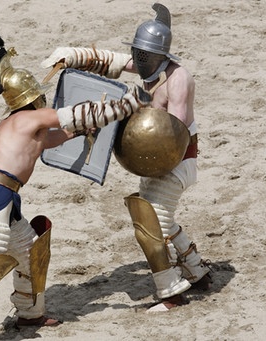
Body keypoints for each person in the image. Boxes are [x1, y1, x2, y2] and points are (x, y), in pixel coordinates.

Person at [0, 9, 150, 340]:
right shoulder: (27, 120)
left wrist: (89, 127)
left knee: (30, 250)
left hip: (0, 196)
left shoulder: (21, 126)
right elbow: (73, 115)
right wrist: (126, 104)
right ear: (34, 99)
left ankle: (29, 314)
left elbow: (62, 134)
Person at [40, 3, 211, 312]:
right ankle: (197, 270)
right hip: (155, 159)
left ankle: (171, 292)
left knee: (151, 223)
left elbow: (176, 132)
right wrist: (73, 55)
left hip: (176, 158)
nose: (139, 61)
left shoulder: (178, 77)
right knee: (162, 218)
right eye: (138, 53)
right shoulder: (150, 67)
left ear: (160, 55)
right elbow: (112, 62)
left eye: (145, 55)